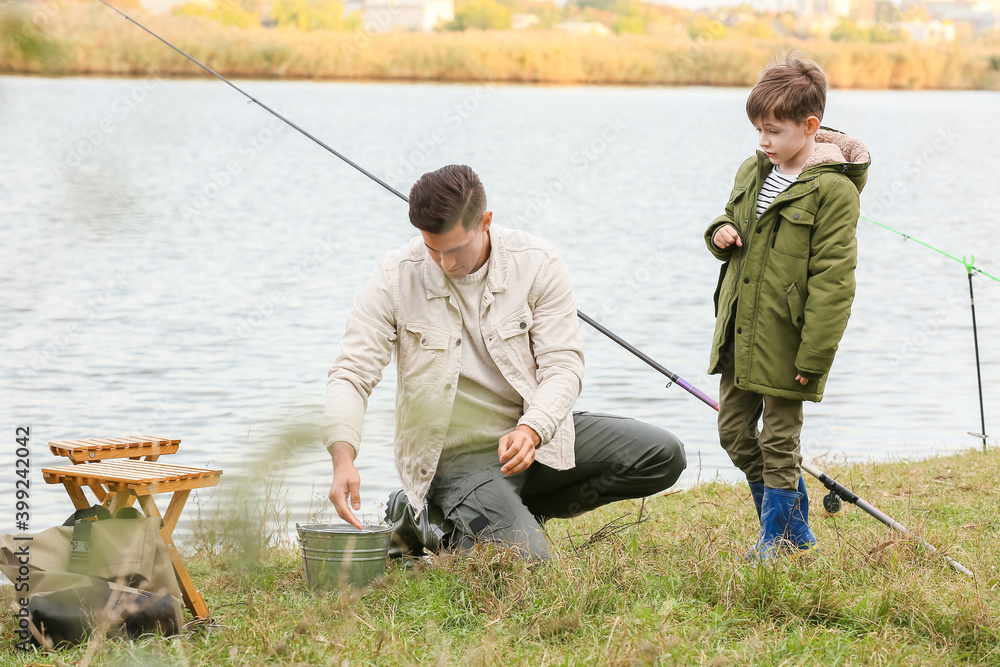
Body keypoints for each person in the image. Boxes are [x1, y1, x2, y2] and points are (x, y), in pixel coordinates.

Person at [325, 164, 686, 560]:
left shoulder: (539, 262)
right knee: (530, 566)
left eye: (455, 249)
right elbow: (351, 373)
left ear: (485, 221)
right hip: (457, 456)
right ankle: (456, 516)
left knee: (663, 455)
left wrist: (533, 428)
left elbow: (563, 365)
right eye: (433, 249)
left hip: (532, 436)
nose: (444, 264)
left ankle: (465, 520)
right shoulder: (394, 277)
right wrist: (343, 459)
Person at [704, 54, 870, 559]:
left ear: (810, 126)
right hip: (740, 333)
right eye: (758, 129)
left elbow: (834, 282)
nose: (763, 141)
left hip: (789, 341)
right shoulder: (752, 170)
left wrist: (813, 358)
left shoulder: (835, 192)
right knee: (734, 434)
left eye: (773, 131)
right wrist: (719, 233)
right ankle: (796, 527)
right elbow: (726, 221)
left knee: (780, 443)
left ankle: (772, 542)